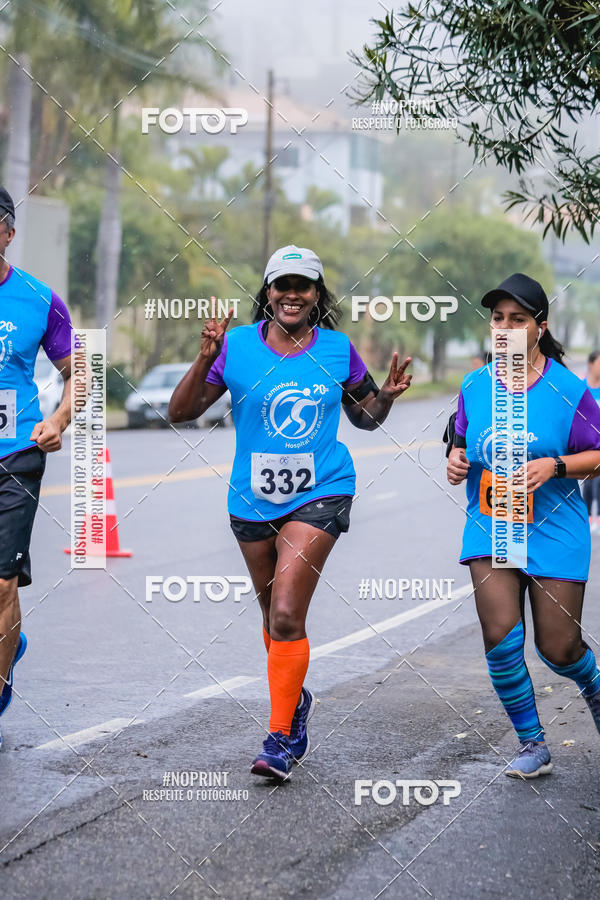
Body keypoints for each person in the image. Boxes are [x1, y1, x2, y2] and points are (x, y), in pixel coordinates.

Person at [169, 244, 412, 780]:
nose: (293, 295)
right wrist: (205, 358)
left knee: (284, 612)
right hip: (251, 499)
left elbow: (364, 419)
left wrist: (387, 396)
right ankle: (294, 701)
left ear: (318, 295)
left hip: (321, 490)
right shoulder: (235, 347)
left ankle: (279, 739)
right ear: (268, 293)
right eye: (283, 285)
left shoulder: (336, 349)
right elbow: (180, 412)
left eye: (304, 286)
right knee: (272, 620)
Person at [446, 273, 600, 779]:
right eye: (497, 319)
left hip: (555, 526)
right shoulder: (474, 385)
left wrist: (555, 467)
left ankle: (594, 686)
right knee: (501, 634)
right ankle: (532, 742)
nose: (505, 328)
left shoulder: (568, 389)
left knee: (558, 648)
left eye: (518, 319)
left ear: (539, 327)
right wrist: (455, 460)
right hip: (492, 524)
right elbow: (462, 440)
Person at [0, 187, 74, 750]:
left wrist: (60, 419)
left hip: (15, 454)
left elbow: (82, 371)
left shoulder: (37, 299)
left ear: (8, 233)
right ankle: (10, 643)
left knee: (0, 583)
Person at [583, 351, 600, 529]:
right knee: (588, 482)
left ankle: (599, 517)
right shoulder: (581, 388)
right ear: (590, 364)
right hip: (585, 445)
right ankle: (587, 516)